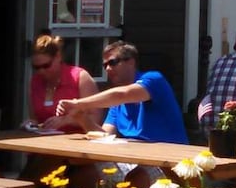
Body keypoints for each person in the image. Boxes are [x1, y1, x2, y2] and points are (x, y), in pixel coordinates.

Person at [57, 42, 188, 144]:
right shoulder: (116, 103)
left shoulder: (154, 80)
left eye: (113, 62)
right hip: (136, 159)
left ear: (131, 62)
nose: (108, 69)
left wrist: (78, 104)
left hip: (169, 160)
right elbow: (105, 137)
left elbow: (122, 95)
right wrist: (80, 116)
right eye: (105, 65)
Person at [28, 35, 100, 132]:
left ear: (58, 56)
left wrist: (68, 120)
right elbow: (35, 118)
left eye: (46, 65)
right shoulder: (36, 81)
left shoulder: (80, 78)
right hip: (45, 141)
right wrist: (31, 124)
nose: (41, 71)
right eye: (36, 67)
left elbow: (96, 119)